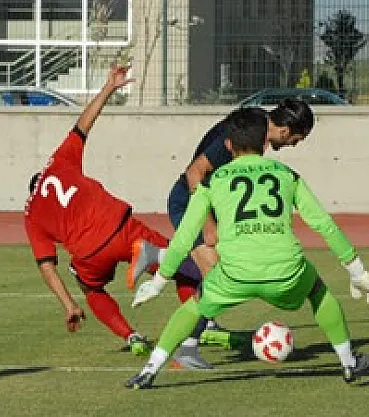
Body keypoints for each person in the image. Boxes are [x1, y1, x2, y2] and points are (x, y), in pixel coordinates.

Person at [125, 107, 369, 389]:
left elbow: (184, 238)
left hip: (234, 274)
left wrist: (158, 283)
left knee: (195, 305)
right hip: (287, 272)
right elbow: (324, 224)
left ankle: (149, 370)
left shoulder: (212, 182)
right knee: (318, 292)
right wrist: (358, 273)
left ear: (228, 145)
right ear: (263, 142)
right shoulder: (288, 175)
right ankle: (348, 362)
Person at [127, 99, 316, 369]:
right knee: (216, 274)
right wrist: (208, 224)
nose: (294, 145)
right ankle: (186, 346)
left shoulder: (255, 126)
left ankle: (159, 257)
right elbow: (195, 173)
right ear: (286, 131)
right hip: (189, 201)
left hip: (211, 205)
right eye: (297, 140)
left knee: (227, 267)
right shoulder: (248, 129)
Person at [23, 65, 193, 355]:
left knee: (91, 289)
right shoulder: (57, 164)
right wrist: (109, 88)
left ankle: (131, 336)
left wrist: (69, 305)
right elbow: (83, 125)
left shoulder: (31, 216)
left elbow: (46, 267)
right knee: (180, 267)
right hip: (120, 227)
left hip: (90, 252)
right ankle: (203, 327)